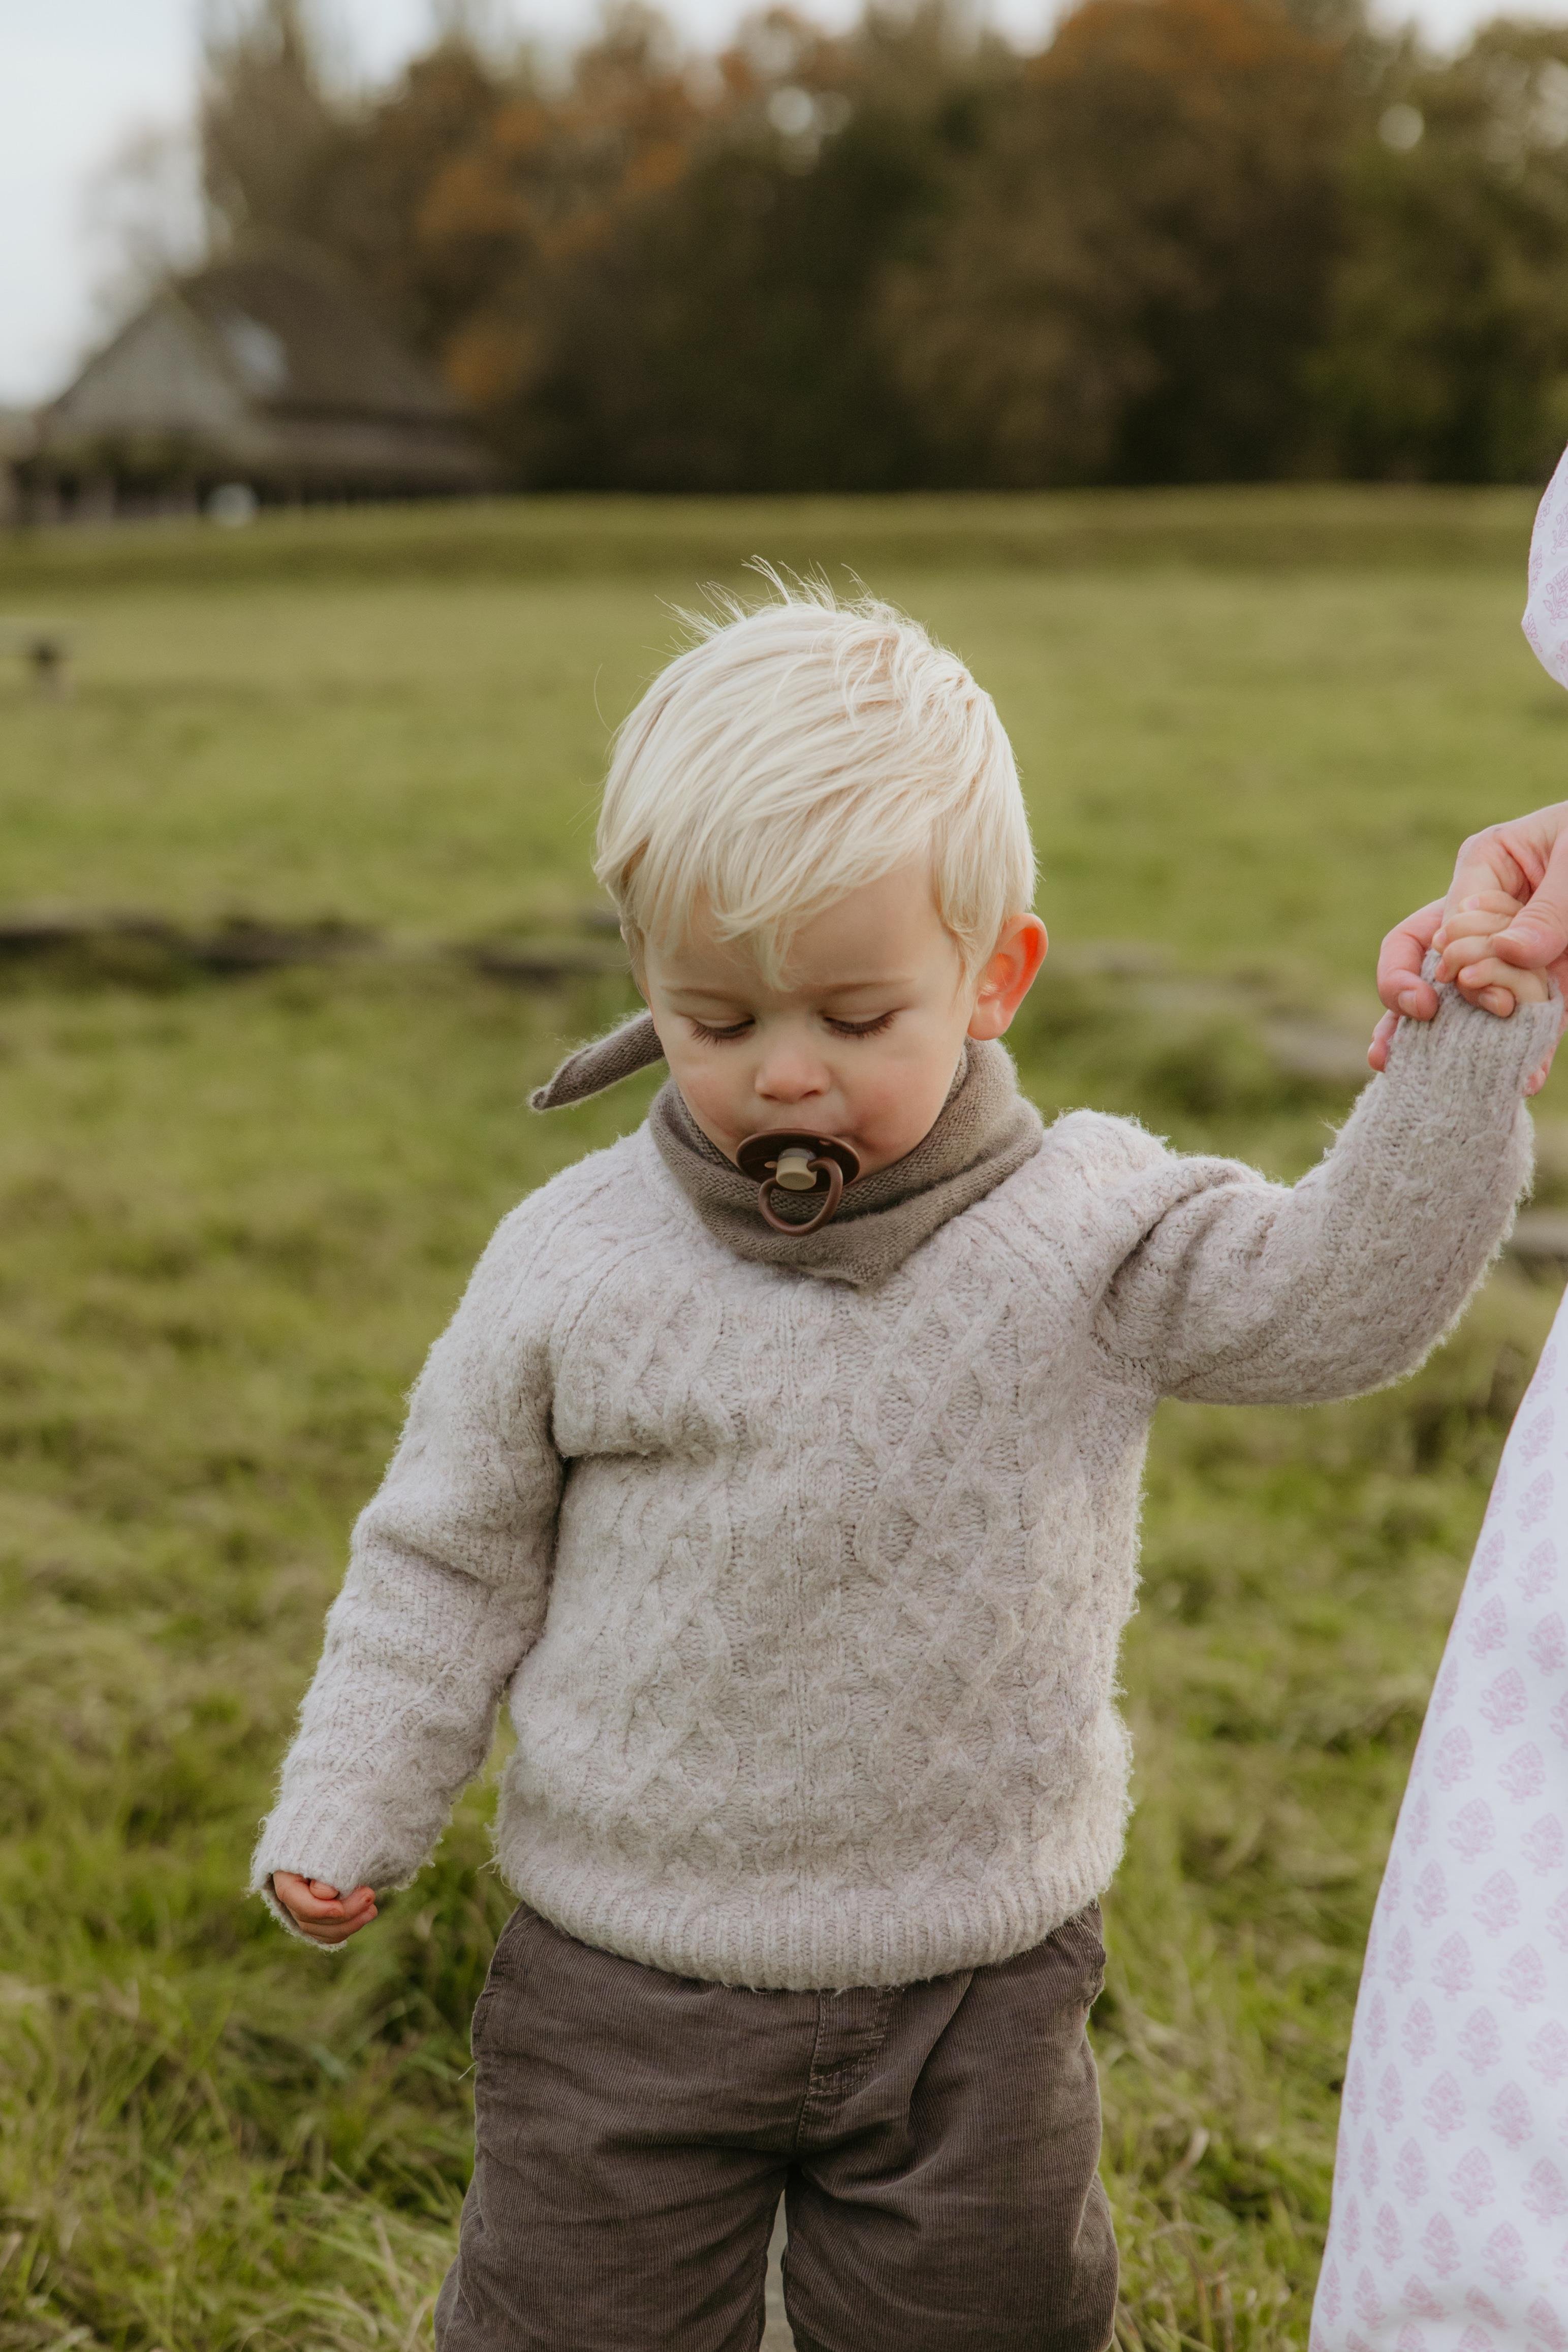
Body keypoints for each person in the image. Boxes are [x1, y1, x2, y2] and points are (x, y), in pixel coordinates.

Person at [250, 579, 1559, 2352]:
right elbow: (445, 1557)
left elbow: (1339, 1303)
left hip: (976, 1992)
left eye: (858, 1020)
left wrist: (1469, 1053)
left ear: (994, 974)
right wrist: (352, 1803)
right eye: (720, 1022)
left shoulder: (1087, 1227)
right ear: (646, 982)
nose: (786, 1076)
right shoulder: (574, 1263)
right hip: (622, 1979)